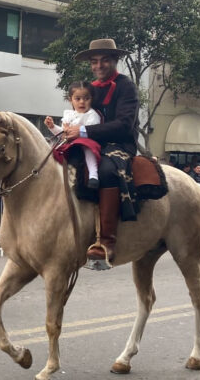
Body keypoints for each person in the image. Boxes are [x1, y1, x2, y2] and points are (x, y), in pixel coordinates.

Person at [64, 39, 139, 268]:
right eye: (95, 61)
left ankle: (106, 242)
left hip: (119, 145)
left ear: (114, 61)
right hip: (90, 142)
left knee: (105, 171)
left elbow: (125, 125)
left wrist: (83, 130)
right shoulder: (90, 88)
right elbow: (78, 112)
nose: (99, 65)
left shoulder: (126, 86)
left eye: (105, 60)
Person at [45, 80, 103, 189]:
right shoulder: (69, 115)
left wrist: (76, 132)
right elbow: (62, 134)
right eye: (78, 99)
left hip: (86, 142)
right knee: (53, 151)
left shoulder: (92, 115)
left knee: (88, 148)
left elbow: (93, 131)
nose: (82, 102)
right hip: (70, 145)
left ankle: (93, 175)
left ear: (91, 99)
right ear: (70, 99)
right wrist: (52, 127)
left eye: (86, 99)